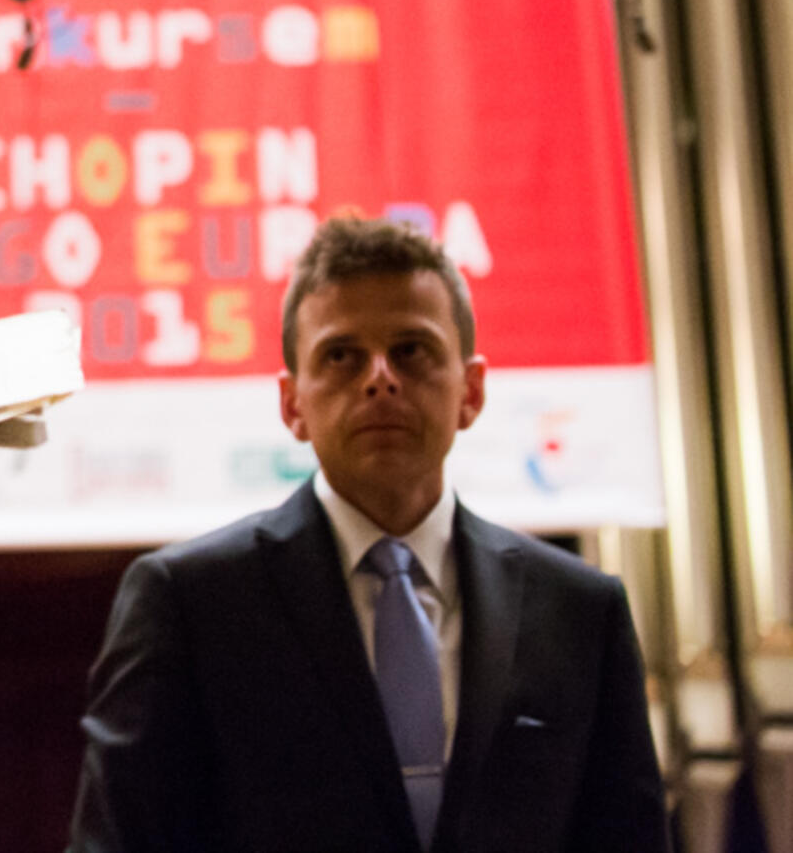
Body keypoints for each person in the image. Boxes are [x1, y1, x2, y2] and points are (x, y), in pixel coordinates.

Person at [68, 216, 669, 853]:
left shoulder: (581, 613)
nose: (380, 378)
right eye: (340, 356)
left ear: (471, 391)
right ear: (292, 404)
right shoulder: (189, 604)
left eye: (412, 350)